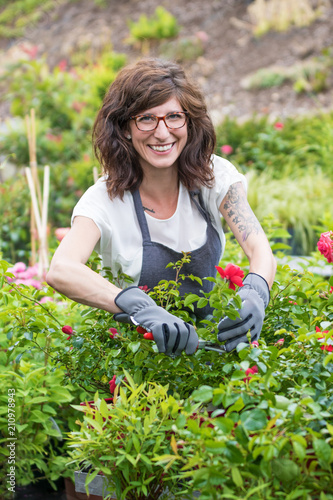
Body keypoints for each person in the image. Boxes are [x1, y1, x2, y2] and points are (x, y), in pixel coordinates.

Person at [46, 58, 276, 357]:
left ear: (189, 122)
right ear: (125, 127)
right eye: (146, 118)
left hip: (212, 355)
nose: (163, 132)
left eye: (173, 117)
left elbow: (260, 250)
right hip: (140, 367)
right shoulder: (105, 199)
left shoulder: (213, 176)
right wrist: (139, 307)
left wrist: (256, 291)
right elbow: (61, 270)